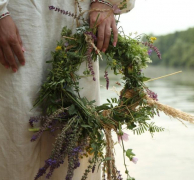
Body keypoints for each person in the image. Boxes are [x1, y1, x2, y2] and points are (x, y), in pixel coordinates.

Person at [0, 0, 135, 179]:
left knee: (76, 140)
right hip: (19, 19)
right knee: (15, 136)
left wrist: (106, 2)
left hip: (76, 22)